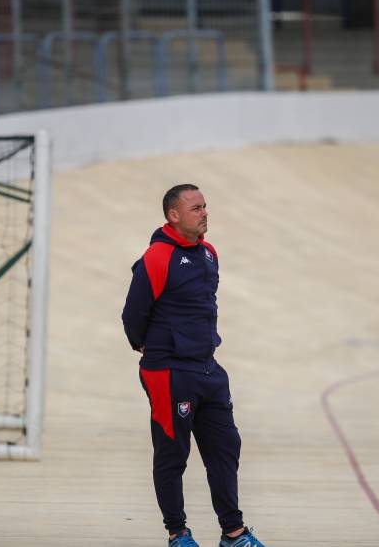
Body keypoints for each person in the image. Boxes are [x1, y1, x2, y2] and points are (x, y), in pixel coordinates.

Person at [122, 185, 266, 547]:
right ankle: (178, 534)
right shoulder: (156, 257)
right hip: (168, 371)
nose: (204, 213)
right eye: (196, 208)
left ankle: (233, 534)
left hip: (207, 368)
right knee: (173, 453)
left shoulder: (209, 254)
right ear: (174, 215)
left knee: (225, 448)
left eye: (205, 207)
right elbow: (133, 313)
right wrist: (146, 347)